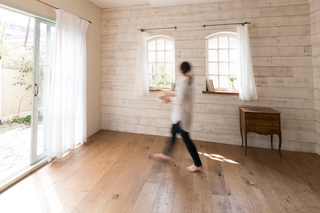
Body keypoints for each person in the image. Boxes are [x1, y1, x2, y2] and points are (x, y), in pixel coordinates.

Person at [152, 62, 203, 173]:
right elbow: (182, 96)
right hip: (180, 116)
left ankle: (198, 164)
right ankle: (165, 153)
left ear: (181, 71)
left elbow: (181, 99)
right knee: (173, 133)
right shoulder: (189, 82)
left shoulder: (185, 83)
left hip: (181, 117)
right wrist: (170, 96)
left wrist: (170, 98)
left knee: (187, 140)